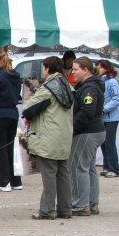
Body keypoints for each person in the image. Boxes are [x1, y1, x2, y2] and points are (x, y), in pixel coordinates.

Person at [22, 56, 74, 219]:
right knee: (63, 174)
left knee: (49, 174)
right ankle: (65, 209)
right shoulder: (68, 86)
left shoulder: (48, 88)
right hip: (64, 135)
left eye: (44, 68)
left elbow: (29, 109)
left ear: (47, 69)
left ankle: (47, 210)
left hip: (48, 136)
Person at [69, 57, 106, 216]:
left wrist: (71, 128)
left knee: (77, 167)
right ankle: (92, 203)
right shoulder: (89, 86)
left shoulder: (89, 88)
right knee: (89, 168)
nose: (73, 72)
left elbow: (87, 111)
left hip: (87, 133)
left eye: (76, 69)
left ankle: (80, 204)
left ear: (85, 70)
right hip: (96, 131)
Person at [0, 52, 23, 192]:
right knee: (10, 148)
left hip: (0, 114)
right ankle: (16, 181)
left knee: (0, 148)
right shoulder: (17, 77)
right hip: (13, 114)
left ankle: (3, 182)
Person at [96, 59, 119, 177]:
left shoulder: (112, 82)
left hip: (111, 118)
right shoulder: (100, 81)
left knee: (110, 143)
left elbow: (117, 99)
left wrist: (104, 109)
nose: (98, 69)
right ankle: (107, 166)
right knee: (103, 143)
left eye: (100, 67)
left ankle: (114, 169)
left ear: (106, 68)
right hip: (102, 118)